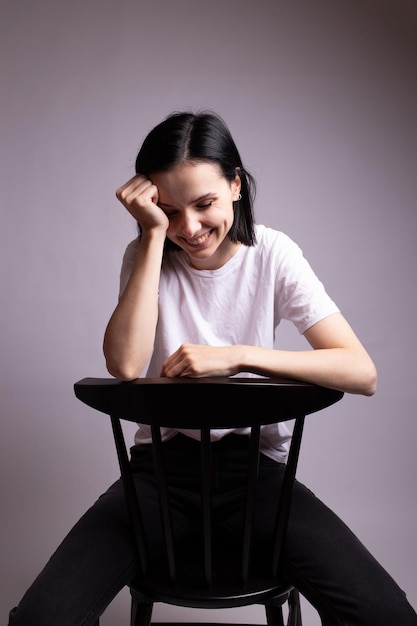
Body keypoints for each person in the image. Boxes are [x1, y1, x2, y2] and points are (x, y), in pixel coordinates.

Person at [9, 111, 417, 626]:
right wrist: (151, 238)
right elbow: (125, 364)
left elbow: (363, 373)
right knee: (41, 618)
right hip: (159, 476)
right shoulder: (147, 253)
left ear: (236, 185)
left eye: (204, 205)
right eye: (169, 210)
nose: (190, 228)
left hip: (257, 475)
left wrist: (240, 355)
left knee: (388, 616)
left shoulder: (271, 253)